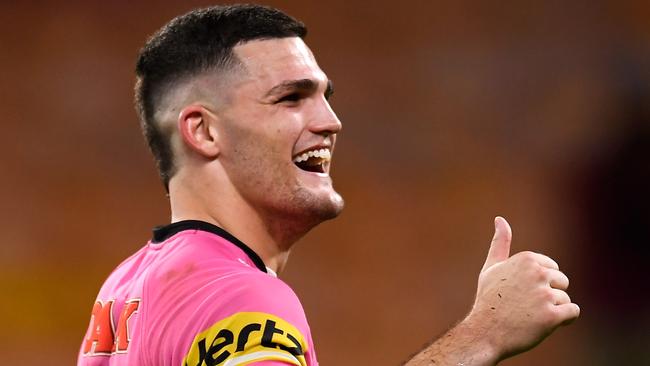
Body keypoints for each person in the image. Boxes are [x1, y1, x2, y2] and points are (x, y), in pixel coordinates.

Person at [78, 4, 579, 366]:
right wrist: (483, 335)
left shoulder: (126, 290)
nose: (331, 121)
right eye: (291, 98)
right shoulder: (239, 298)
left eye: (324, 96)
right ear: (204, 131)